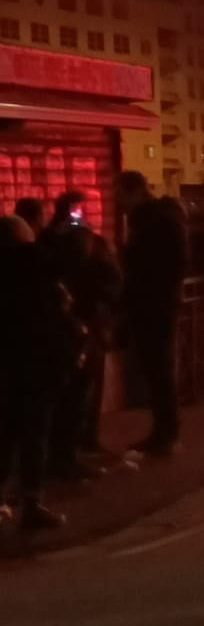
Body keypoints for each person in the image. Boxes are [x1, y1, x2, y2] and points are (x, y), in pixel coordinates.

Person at [0, 215, 74, 531]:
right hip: (36, 365)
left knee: (4, 436)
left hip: (5, 365)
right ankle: (31, 502)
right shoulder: (40, 267)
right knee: (34, 436)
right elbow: (61, 305)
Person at [39, 190, 118, 479]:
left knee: (74, 394)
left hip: (71, 327)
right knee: (76, 394)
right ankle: (68, 455)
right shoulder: (80, 245)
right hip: (82, 327)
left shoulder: (50, 242)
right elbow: (109, 280)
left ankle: (71, 450)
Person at [116, 171, 187, 455]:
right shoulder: (157, 218)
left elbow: (150, 263)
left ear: (133, 191)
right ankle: (165, 431)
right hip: (158, 302)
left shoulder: (150, 221)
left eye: (119, 192)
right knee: (159, 370)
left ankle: (166, 434)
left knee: (159, 369)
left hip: (153, 304)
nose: (117, 199)